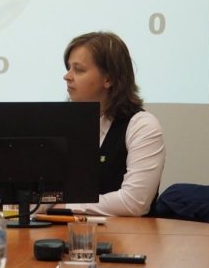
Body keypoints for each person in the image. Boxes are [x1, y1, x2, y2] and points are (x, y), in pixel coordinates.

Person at [62, 31, 165, 216]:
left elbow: (134, 202)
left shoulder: (142, 126)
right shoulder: (67, 124)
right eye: (69, 68)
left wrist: (67, 206)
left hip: (127, 233)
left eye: (78, 70)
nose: (67, 76)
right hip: (65, 230)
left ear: (108, 79)